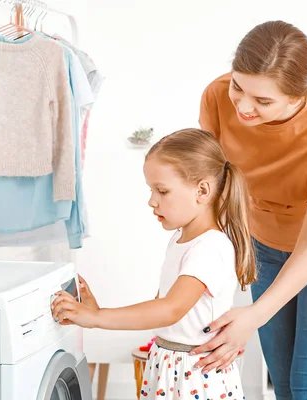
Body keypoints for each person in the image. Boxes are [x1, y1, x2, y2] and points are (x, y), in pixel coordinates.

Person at [192, 20, 307, 399]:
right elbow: (208, 184)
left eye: (263, 101)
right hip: (266, 240)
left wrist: (251, 317)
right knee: (286, 386)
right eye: (238, 87)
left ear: (297, 96)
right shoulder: (216, 96)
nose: (243, 106)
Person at [51, 128, 255, 399]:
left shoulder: (210, 247)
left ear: (202, 191)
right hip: (173, 366)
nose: (151, 200)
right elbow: (160, 309)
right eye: (151, 190)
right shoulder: (180, 240)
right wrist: (98, 312)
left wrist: (96, 318)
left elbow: (169, 310)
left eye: (162, 191)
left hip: (194, 374)